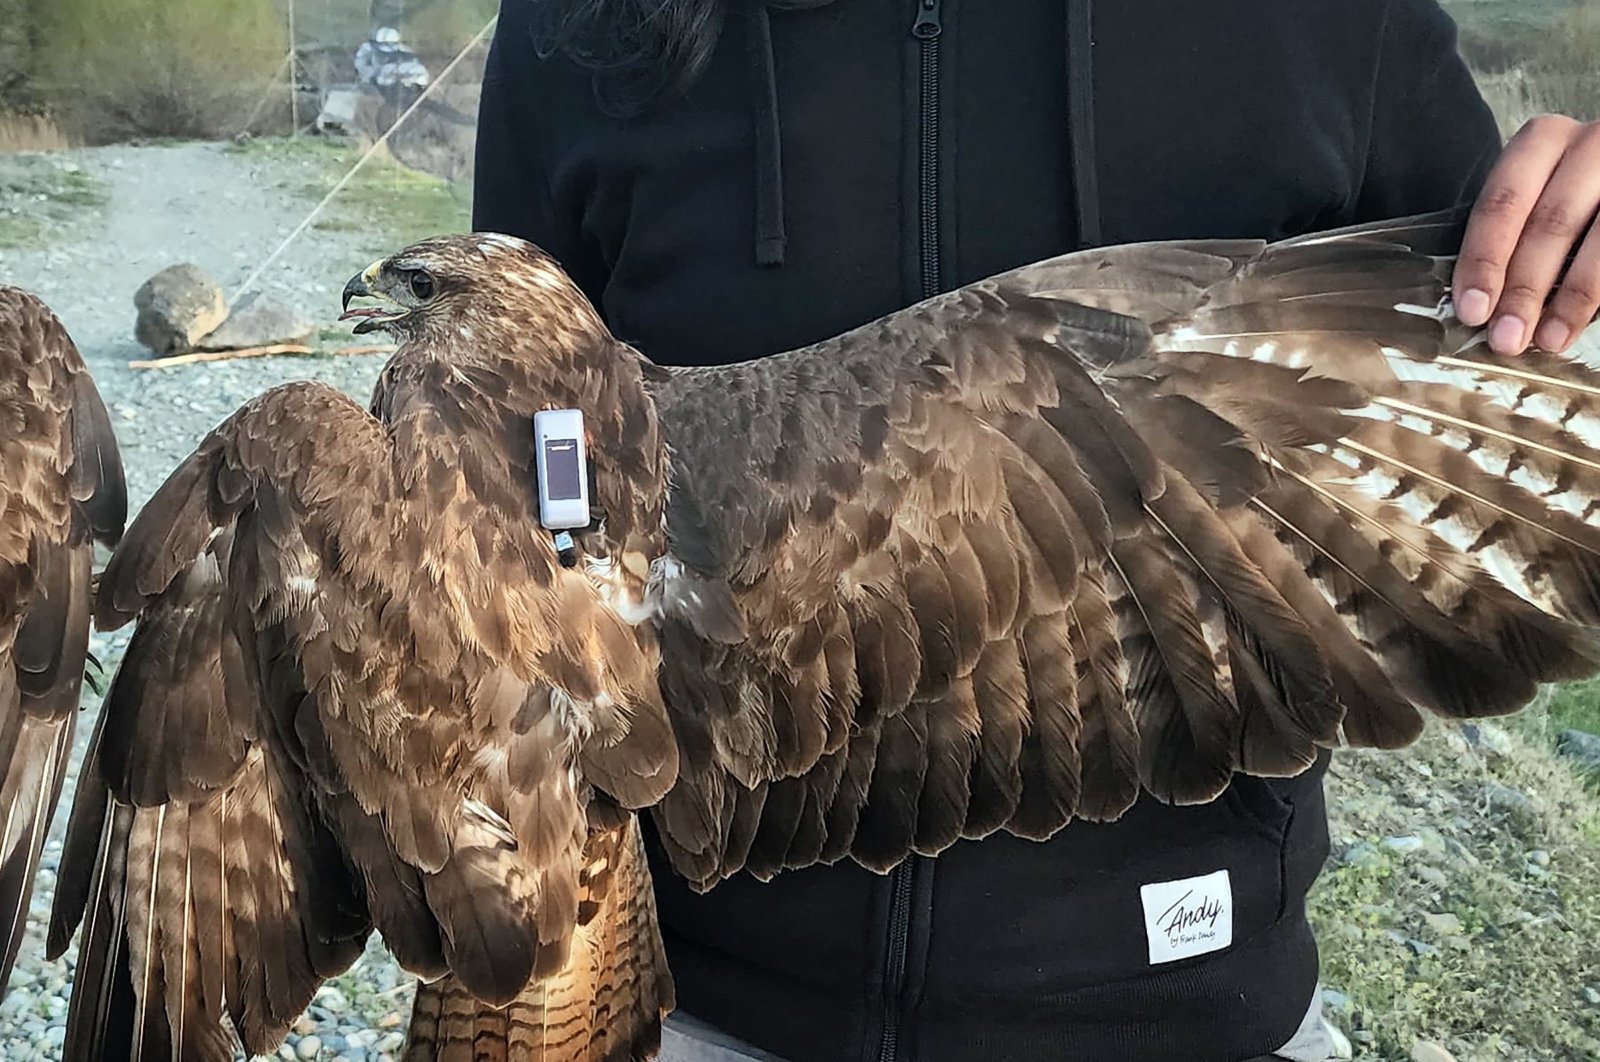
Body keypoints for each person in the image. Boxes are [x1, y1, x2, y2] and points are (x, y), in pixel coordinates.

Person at [470, 2, 1600, 1060]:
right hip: (683, 999)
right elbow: (523, 456)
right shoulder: (582, 22)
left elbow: (1496, 370)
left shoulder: (1327, 17)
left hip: (1182, 999)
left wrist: (1577, 248)